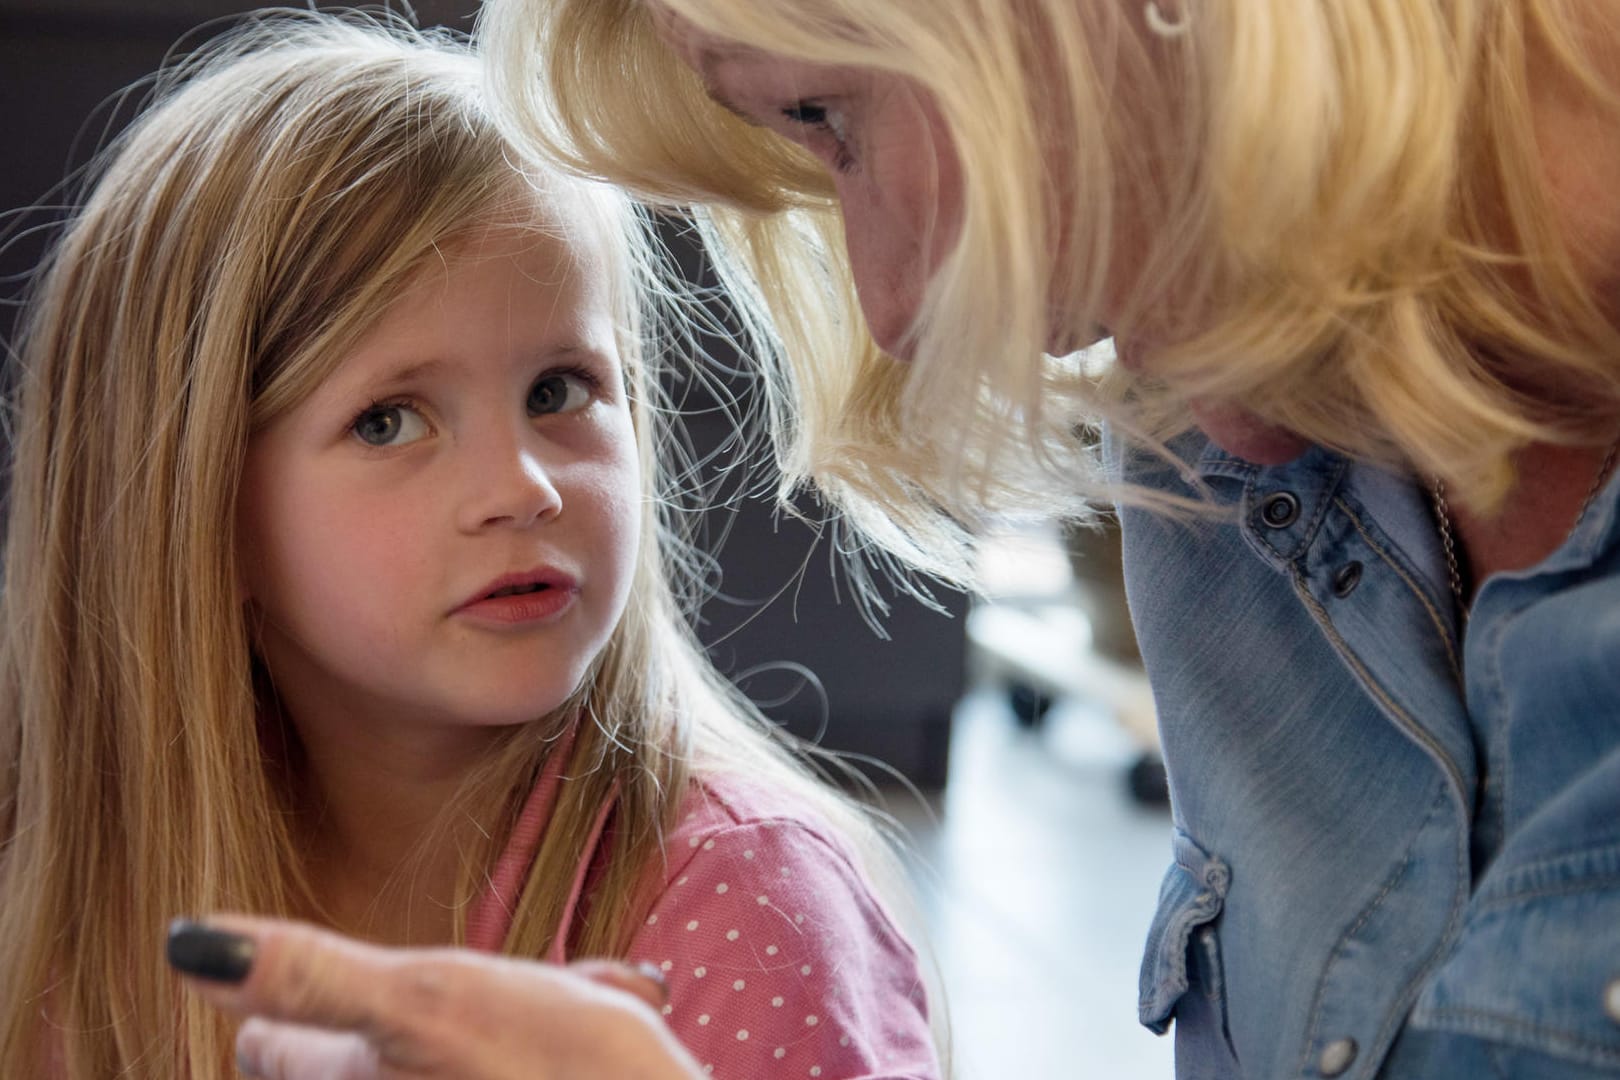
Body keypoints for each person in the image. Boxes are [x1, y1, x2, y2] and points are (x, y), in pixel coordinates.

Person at [146, 0, 1620, 1077]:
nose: (900, 309)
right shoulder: (1234, 468)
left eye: (830, 116)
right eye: (393, 420)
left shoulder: (745, 900)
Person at [0, 12, 941, 1080]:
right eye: (391, 420)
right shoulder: (56, 913)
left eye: (559, 391)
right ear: (192, 503)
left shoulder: (748, 907)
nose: (522, 486)